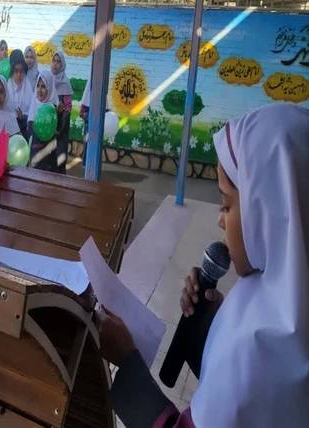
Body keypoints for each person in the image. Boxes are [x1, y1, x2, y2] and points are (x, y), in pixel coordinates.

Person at [98, 104, 309, 428]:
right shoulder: (277, 294)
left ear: (270, 210)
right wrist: (213, 326)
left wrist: (127, 363)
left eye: (226, 204)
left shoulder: (265, 348)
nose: (220, 220)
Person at [28, 71, 58, 172]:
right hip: (36, 150)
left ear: (49, 88)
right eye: (38, 86)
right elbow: (30, 127)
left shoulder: (53, 108)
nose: (39, 90)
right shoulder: (34, 103)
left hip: (49, 153)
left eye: (43, 86)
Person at [50, 51, 73, 173]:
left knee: (60, 151)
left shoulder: (65, 83)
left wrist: (61, 110)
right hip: (48, 123)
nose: (55, 64)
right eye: (54, 61)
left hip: (61, 125)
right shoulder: (48, 80)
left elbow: (68, 106)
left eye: (58, 62)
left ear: (62, 65)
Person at [7, 49, 32, 139]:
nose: (19, 74)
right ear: (12, 71)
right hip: (9, 132)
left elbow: (32, 112)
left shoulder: (27, 86)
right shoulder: (6, 87)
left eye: (21, 71)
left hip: (24, 131)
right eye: (16, 71)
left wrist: (23, 117)